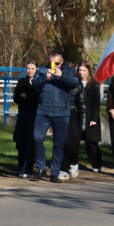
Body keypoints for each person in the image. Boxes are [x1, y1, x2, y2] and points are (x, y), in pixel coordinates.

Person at [31, 51, 80, 182]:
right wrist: (44, 78)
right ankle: (41, 168)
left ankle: (54, 172)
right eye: (52, 63)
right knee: (37, 137)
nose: (54, 66)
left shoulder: (68, 71)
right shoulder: (41, 70)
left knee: (59, 143)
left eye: (57, 63)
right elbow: (34, 84)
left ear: (62, 61)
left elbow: (76, 83)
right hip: (44, 111)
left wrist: (62, 75)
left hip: (61, 112)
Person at [65, 62, 102, 175]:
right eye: (79, 70)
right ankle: (73, 163)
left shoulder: (94, 85)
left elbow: (96, 104)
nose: (81, 73)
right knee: (73, 141)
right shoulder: (75, 83)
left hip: (90, 116)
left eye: (83, 70)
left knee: (91, 143)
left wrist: (94, 119)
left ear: (89, 72)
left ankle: (96, 164)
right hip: (77, 116)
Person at [13, 62, 39, 177]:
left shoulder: (38, 82)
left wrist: (26, 96)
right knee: (20, 141)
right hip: (23, 114)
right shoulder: (22, 82)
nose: (30, 71)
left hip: (35, 115)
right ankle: (21, 166)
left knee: (30, 142)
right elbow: (16, 97)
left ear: (36, 69)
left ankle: (28, 169)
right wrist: (22, 96)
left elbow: (37, 98)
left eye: (32, 68)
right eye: (28, 68)